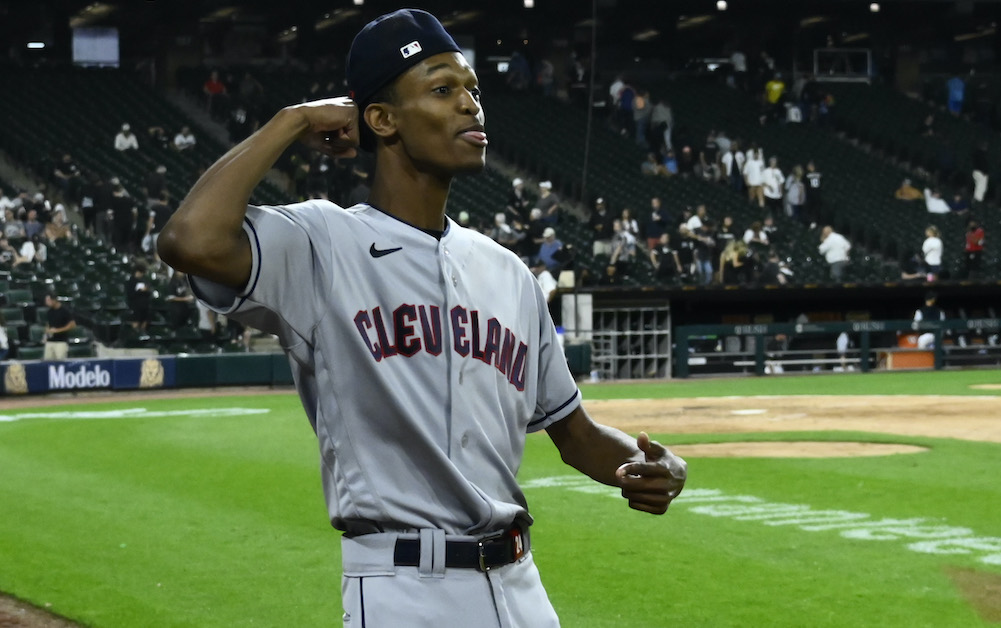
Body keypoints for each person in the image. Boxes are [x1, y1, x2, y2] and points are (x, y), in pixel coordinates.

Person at [156, 11, 686, 627]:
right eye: (442, 89)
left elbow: (577, 436)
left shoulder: (508, 272)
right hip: (403, 587)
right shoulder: (320, 241)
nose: (470, 106)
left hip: (521, 588)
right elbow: (188, 240)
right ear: (380, 119)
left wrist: (647, 467)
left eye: (474, 91)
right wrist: (293, 120)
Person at [43, 292, 75, 360]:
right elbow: (49, 324)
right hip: (50, 341)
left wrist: (58, 330)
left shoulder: (65, 311)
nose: (46, 303)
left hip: (61, 342)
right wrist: (46, 334)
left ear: (54, 300)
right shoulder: (49, 312)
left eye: (48, 300)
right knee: (47, 362)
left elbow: (72, 324)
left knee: (60, 362)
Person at [126, 262, 153, 333]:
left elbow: (149, 292)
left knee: (145, 322)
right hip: (135, 306)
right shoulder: (131, 281)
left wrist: (146, 290)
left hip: (144, 306)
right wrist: (140, 291)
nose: (141, 274)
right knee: (135, 323)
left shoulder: (144, 281)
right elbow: (130, 294)